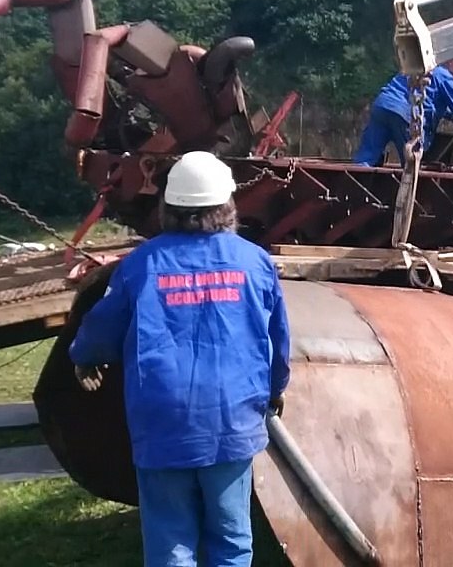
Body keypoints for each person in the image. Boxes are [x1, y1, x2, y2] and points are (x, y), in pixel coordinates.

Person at [69, 150, 292, 566]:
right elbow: (277, 337)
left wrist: (85, 356)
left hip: (163, 426)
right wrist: (276, 387)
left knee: (171, 543)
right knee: (231, 542)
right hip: (231, 422)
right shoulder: (255, 263)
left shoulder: (142, 265)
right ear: (227, 205)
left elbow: (103, 326)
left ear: (168, 207)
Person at [353, 57, 453, 166]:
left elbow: (429, 102)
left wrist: (451, 116)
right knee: (412, 166)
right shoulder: (445, 77)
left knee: (366, 157)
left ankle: (351, 192)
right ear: (452, 61)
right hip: (404, 114)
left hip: (382, 105)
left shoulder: (419, 67)